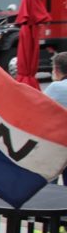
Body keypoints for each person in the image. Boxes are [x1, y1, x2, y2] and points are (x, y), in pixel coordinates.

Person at [45, 51, 67, 184]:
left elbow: (39, 109)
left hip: (58, 145)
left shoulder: (56, 87)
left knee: (50, 185)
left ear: (56, 69)